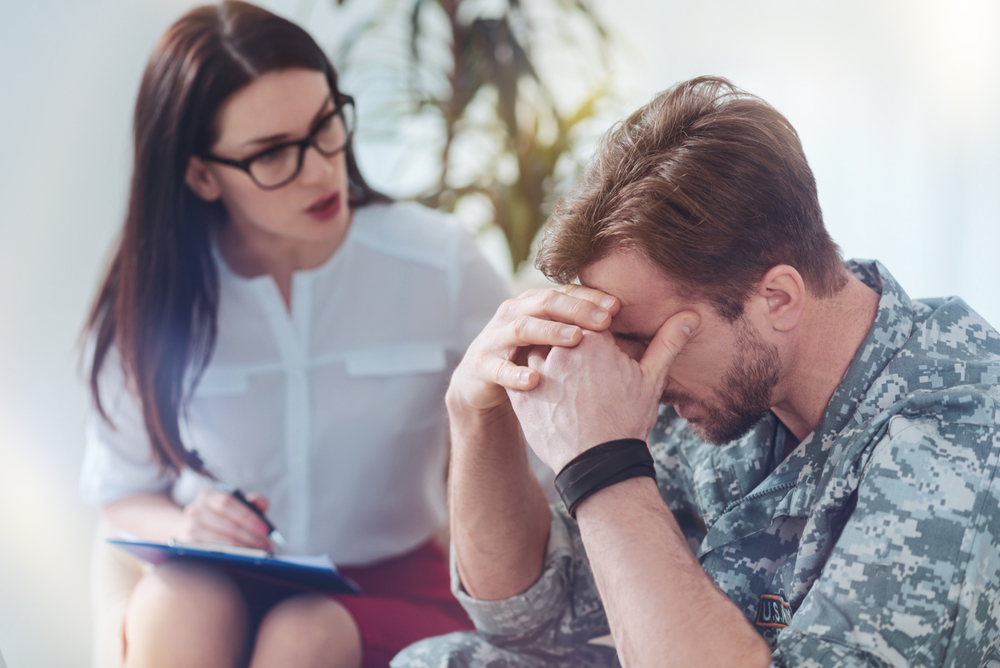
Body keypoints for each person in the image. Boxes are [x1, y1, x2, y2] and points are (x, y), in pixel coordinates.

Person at [392, 76, 1000, 667]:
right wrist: (476, 412)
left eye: (646, 339)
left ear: (778, 300)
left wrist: (606, 462)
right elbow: (529, 618)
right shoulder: (734, 386)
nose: (639, 378)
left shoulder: (956, 440)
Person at [78, 2, 509, 667]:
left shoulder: (440, 263)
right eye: (273, 152)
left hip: (392, 584)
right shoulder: (154, 293)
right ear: (201, 175)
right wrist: (188, 525)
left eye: (324, 126)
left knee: (305, 632)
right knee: (179, 600)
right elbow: (120, 491)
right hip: (224, 579)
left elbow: (536, 435)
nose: (318, 169)